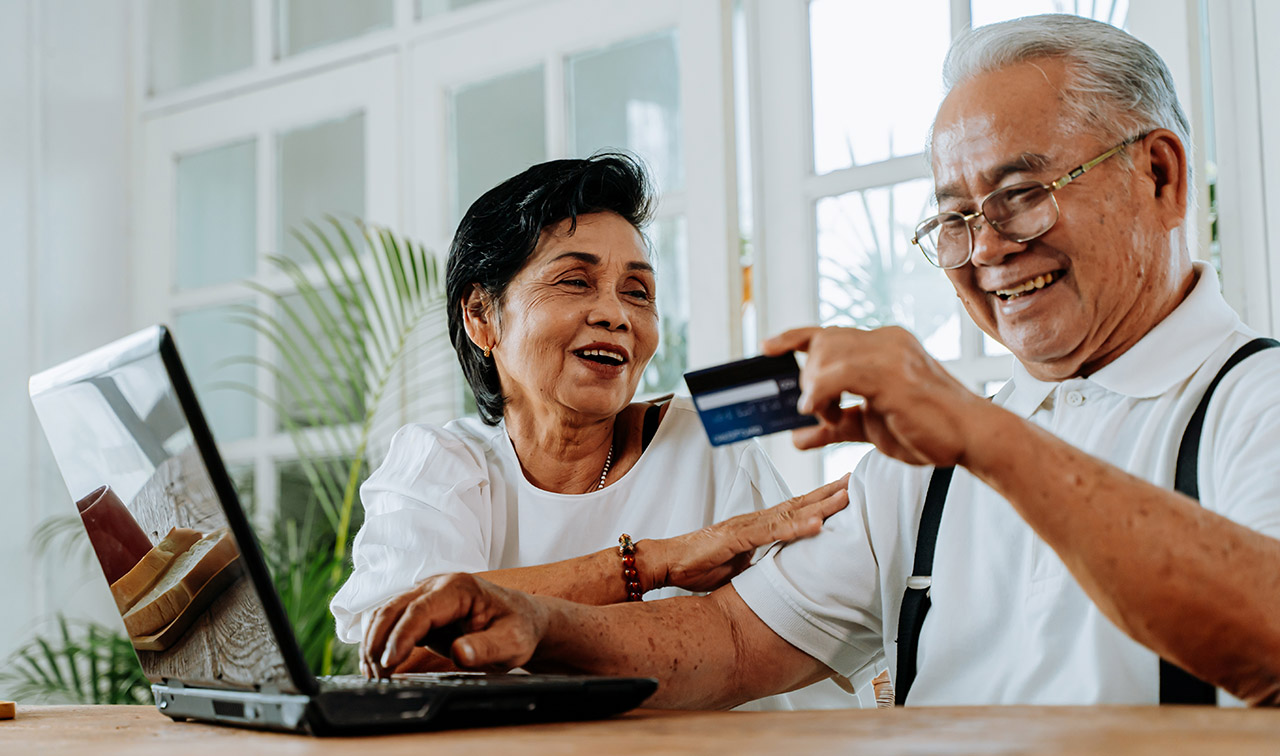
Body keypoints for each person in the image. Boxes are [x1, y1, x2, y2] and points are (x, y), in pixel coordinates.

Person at [356, 15, 1280, 708]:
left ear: (1159, 175)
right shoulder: (922, 472)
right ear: (481, 318)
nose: (988, 247)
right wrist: (547, 626)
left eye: (1022, 194)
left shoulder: (1256, 401)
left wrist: (984, 433)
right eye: (956, 219)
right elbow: (725, 636)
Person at [329, 154, 857, 710]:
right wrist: (649, 562)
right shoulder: (437, 463)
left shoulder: (706, 446)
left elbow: (802, 639)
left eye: (637, 292)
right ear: (482, 315)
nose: (615, 314)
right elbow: (401, 651)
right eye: (575, 281)